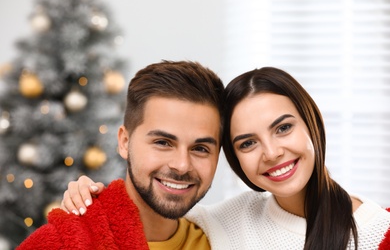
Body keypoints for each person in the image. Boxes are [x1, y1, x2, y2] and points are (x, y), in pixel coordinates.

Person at [62, 67, 390, 249]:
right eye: (247, 143)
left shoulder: (378, 230)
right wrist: (89, 197)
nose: (272, 152)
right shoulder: (223, 222)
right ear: (233, 158)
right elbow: (149, 207)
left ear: (312, 124)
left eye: (283, 128)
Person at [17, 60, 225, 249]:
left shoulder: (227, 238)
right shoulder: (62, 243)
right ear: (124, 142)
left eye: (200, 149)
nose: (181, 165)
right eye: (163, 143)